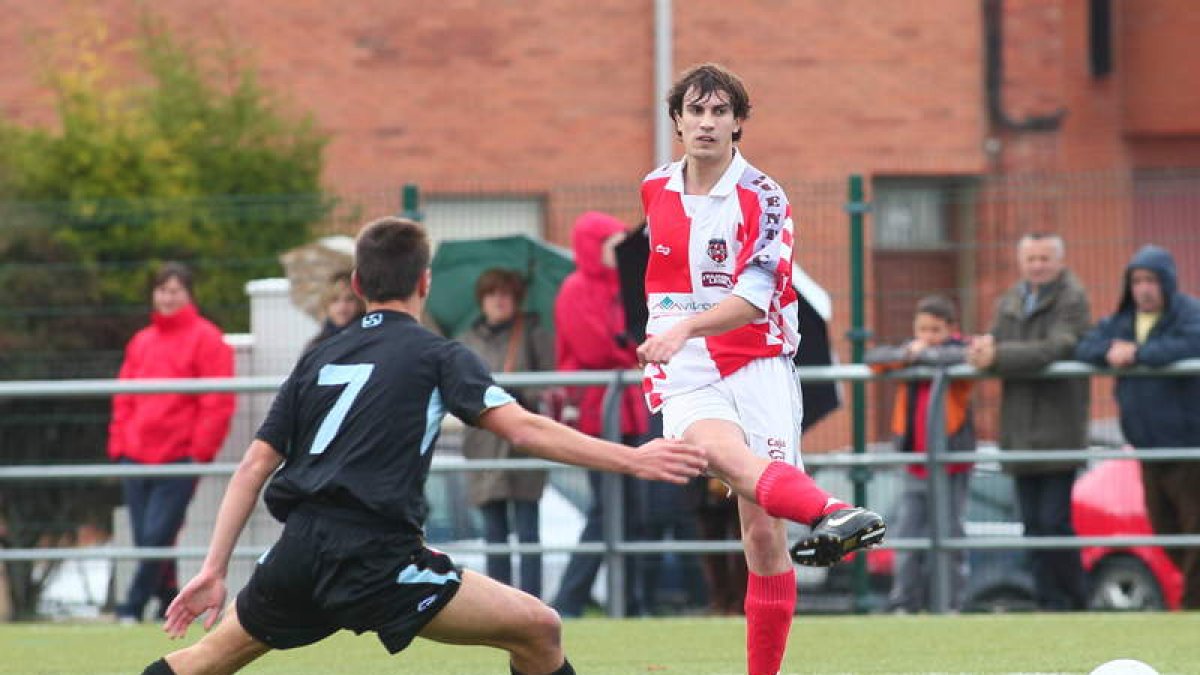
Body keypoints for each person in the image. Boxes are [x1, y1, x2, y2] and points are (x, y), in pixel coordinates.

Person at [139, 217, 705, 675]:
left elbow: (253, 465)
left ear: (357, 285)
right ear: (425, 282)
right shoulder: (438, 355)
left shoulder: (320, 356)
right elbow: (525, 429)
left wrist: (213, 569)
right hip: (378, 558)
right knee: (541, 629)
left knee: (200, 664)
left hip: (299, 554)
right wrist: (634, 457)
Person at [637, 63, 884, 675]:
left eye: (720, 111)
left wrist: (686, 326)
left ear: (739, 122)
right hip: (687, 368)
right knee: (727, 460)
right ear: (677, 120)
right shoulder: (654, 188)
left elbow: (753, 298)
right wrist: (677, 333)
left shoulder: (765, 196)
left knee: (765, 538)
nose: (707, 122)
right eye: (695, 110)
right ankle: (830, 512)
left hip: (759, 362)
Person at [967, 232, 1091, 611]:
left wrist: (996, 354)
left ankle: (1073, 601)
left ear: (1058, 260)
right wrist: (982, 348)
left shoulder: (1072, 299)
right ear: (1022, 262)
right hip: (1020, 432)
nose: (1038, 265)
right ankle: (1047, 601)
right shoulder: (1011, 300)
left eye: (1044, 258)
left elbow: (1054, 348)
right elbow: (997, 343)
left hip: (1058, 431)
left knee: (1054, 523)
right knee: (1033, 526)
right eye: (1032, 258)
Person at [109, 262, 236, 624]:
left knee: (156, 536)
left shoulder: (208, 339)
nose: (167, 297)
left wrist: (198, 453)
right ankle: (168, 596)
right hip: (135, 455)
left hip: (178, 457)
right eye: (162, 290)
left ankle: (129, 608)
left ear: (189, 295)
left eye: (175, 290)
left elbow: (217, 402)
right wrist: (119, 446)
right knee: (149, 540)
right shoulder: (142, 341)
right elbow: (124, 397)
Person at [1075, 244, 1200, 609]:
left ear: (1167, 283)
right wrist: (1110, 352)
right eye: (1137, 281)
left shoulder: (1187, 313)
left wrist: (1139, 354)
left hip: (1187, 448)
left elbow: (1192, 341)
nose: (1143, 288)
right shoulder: (1123, 321)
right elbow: (1087, 346)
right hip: (1147, 449)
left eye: (1151, 280)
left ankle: (1193, 606)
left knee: (1194, 529)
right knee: (1166, 530)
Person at [551, 211, 652, 617]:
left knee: (630, 511)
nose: (620, 251)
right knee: (606, 509)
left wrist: (630, 349)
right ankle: (571, 600)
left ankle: (627, 600)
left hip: (626, 412)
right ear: (594, 248)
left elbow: (640, 338)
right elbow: (595, 349)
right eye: (612, 243)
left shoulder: (624, 287)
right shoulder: (575, 289)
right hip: (596, 414)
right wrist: (631, 351)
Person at [866, 295, 974, 613]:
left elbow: (962, 358)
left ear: (951, 330)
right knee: (908, 536)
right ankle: (905, 603)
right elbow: (875, 358)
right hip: (915, 463)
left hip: (951, 464)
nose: (927, 336)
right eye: (922, 329)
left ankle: (951, 603)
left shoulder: (959, 352)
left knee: (951, 536)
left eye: (935, 330)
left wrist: (922, 355)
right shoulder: (909, 352)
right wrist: (908, 354)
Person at [457, 268, 555, 598]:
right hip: (483, 443)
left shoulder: (532, 332)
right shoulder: (466, 340)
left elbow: (550, 384)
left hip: (524, 441)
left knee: (528, 529)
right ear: (482, 299)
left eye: (506, 294)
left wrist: (522, 392)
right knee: (493, 533)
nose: (499, 300)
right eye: (492, 293)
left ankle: (532, 602)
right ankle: (499, 603)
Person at [305, 271, 366, 351]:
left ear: (359, 302)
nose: (342, 307)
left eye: (349, 299)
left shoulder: (369, 339)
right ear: (326, 304)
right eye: (335, 300)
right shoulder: (316, 345)